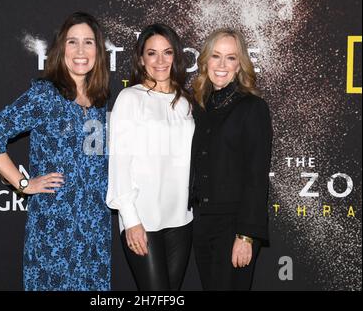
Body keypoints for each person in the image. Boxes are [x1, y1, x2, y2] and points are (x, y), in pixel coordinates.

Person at [0, 12, 111, 291]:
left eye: (88, 42)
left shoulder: (99, 100)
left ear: (99, 50)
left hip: (95, 233)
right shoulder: (46, 95)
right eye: (73, 42)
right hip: (54, 230)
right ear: (61, 49)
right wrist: (24, 184)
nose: (81, 51)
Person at [106, 23, 195, 291]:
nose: (160, 61)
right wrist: (130, 219)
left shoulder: (186, 101)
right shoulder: (130, 98)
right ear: (141, 58)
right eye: (152, 53)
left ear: (176, 56)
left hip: (181, 217)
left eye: (167, 52)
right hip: (143, 217)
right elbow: (119, 161)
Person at [190, 28, 273, 290]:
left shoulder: (252, 107)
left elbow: (256, 176)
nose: (222, 65)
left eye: (231, 58)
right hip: (202, 222)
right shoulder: (200, 106)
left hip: (235, 225)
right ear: (205, 62)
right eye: (216, 56)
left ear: (240, 65)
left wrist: (246, 236)